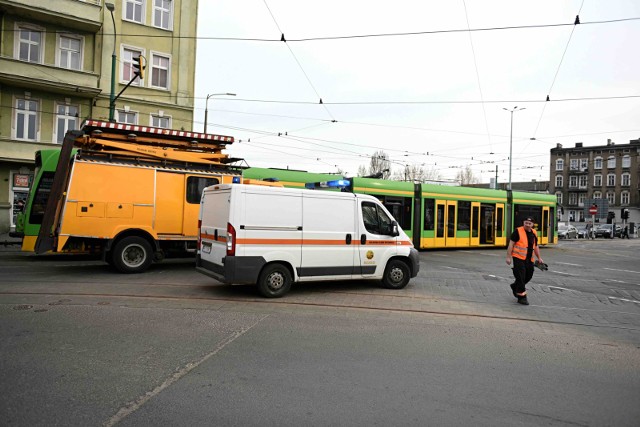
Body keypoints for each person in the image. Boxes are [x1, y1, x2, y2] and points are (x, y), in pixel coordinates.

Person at [505, 217, 544, 305]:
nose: (527, 225)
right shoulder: (517, 231)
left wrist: (539, 258)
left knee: (529, 275)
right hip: (518, 258)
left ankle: (515, 286)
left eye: (529, 223)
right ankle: (521, 297)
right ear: (523, 223)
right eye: (526, 223)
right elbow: (511, 244)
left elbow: (536, 246)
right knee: (521, 277)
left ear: (532, 225)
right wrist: (508, 257)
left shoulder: (534, 232)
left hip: (529, 259)